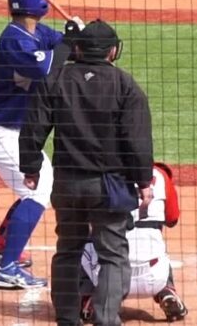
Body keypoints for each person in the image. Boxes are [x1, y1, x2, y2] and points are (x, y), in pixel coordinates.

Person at [20, 19, 155, 326]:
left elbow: (33, 127)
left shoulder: (56, 79)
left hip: (67, 184)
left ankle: (68, 319)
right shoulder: (125, 85)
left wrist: (30, 167)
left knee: (68, 251)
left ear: (78, 49)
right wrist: (143, 181)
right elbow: (137, 140)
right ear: (112, 51)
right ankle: (106, 320)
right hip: (108, 186)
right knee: (112, 255)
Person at [0, 0, 71, 290]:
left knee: (39, 186)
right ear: (36, 4)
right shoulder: (14, 41)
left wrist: (79, 34)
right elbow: (45, 67)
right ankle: (7, 269)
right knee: (38, 192)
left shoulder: (34, 31)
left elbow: (64, 46)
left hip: (12, 132)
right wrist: (70, 42)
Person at [77, 162, 188, 323]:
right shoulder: (160, 175)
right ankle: (167, 291)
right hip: (154, 277)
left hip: (107, 278)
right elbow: (172, 219)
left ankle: (88, 298)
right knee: (156, 241)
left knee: (81, 241)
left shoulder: (98, 175)